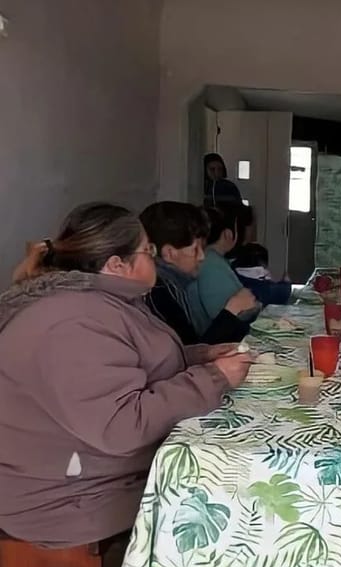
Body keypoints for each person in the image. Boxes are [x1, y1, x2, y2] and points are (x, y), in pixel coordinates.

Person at [0, 203, 253, 546]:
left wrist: (200, 356)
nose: (154, 259)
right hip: (66, 500)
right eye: (148, 251)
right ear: (117, 265)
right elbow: (120, 426)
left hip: (93, 477)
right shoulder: (72, 322)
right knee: (226, 503)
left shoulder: (102, 302)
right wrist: (214, 379)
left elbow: (130, 365)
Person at [140, 201, 256, 345]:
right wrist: (231, 311)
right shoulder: (158, 292)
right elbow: (186, 355)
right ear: (169, 253)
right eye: (195, 249)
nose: (202, 257)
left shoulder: (177, 284)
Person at [187, 206, 262, 335]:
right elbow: (230, 314)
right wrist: (257, 305)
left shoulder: (215, 260)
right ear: (228, 234)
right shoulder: (211, 263)